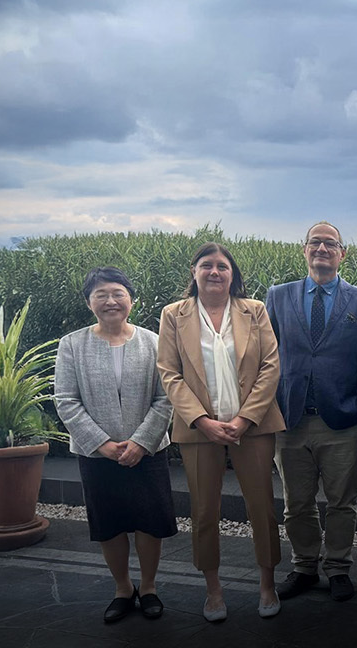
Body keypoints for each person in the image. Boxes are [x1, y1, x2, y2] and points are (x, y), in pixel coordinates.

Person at [156, 243, 286, 622]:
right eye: (206, 266)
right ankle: (213, 590)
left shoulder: (255, 311)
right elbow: (169, 372)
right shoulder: (173, 315)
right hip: (200, 430)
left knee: (261, 507)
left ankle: (267, 584)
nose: (214, 272)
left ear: (233, 274)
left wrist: (245, 418)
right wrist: (201, 420)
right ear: (193, 272)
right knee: (203, 511)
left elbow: (270, 367)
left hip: (254, 427)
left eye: (222, 267)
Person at [55, 266, 177, 624]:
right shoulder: (72, 344)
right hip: (97, 455)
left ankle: (150, 587)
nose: (110, 301)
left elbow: (166, 397)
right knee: (109, 523)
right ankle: (123, 588)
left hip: (149, 450)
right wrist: (103, 444)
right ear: (89, 302)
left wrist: (141, 442)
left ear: (131, 300)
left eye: (118, 293)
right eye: (101, 295)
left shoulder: (154, 341)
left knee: (149, 522)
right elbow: (65, 400)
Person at [265, 221, 357, 602]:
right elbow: (266, 356)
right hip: (290, 420)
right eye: (315, 242)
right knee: (296, 503)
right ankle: (304, 567)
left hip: (341, 421)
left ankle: (338, 568)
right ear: (304, 249)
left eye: (331, 244)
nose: (322, 249)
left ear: (342, 253)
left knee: (341, 502)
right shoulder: (278, 297)